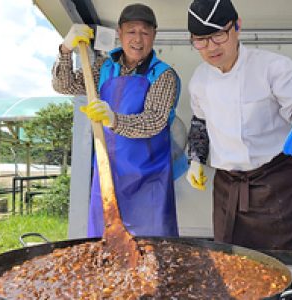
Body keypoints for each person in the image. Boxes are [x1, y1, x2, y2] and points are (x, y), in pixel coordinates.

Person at [186, 0, 292, 250]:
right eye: (201, 40)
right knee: (232, 263)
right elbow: (200, 122)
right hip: (227, 187)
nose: (211, 47)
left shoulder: (272, 67)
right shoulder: (200, 79)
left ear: (237, 26)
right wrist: (195, 160)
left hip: (273, 183)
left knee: (284, 262)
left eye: (218, 35)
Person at [52, 3, 181, 238]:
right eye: (131, 31)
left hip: (149, 180)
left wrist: (113, 119)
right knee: (104, 245)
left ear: (154, 35)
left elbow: (154, 122)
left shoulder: (163, 75)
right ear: (120, 33)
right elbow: (64, 85)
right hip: (107, 172)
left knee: (153, 252)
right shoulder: (104, 67)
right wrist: (65, 49)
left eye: (145, 32)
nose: (138, 39)